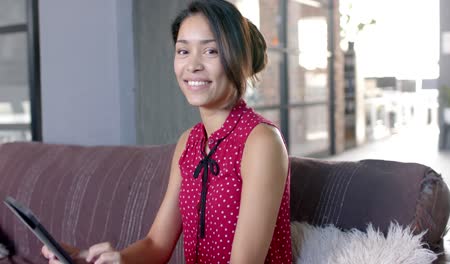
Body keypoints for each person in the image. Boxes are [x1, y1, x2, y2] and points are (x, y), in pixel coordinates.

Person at [41, 0, 292, 263]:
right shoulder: (189, 142)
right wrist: (99, 259)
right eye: (183, 51)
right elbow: (156, 245)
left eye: (211, 51)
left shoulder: (261, 141)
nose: (192, 65)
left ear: (239, 59)